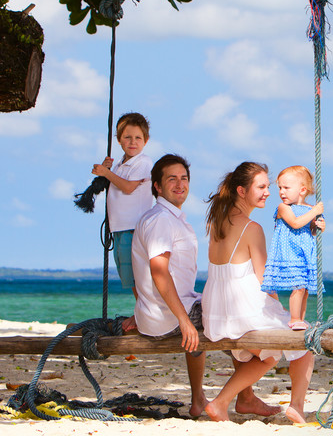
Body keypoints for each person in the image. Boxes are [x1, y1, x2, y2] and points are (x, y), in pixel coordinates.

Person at [131, 155, 281, 419]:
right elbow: (158, 272)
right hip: (170, 316)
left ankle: (203, 399)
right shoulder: (161, 221)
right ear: (157, 186)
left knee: (216, 309)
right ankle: (237, 398)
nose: (180, 184)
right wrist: (183, 320)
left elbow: (143, 274)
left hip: (163, 311)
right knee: (240, 328)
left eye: (184, 178)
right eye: (172, 179)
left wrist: (142, 308)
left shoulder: (168, 218)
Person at [201, 162, 315, 423]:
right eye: (261, 187)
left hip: (217, 310)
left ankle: (242, 399)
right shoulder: (251, 228)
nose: (268, 192)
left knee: (264, 352)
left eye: (268, 187)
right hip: (242, 309)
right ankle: (294, 405)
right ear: (242, 191)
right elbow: (265, 278)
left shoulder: (218, 220)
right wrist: (280, 309)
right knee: (303, 342)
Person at [90, 112, 152, 330]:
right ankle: (143, 312)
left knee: (137, 275)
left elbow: (127, 187)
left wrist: (107, 174)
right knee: (128, 274)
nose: (132, 142)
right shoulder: (122, 164)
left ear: (145, 141)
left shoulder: (143, 163)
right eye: (127, 137)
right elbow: (116, 182)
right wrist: (107, 170)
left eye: (137, 138)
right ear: (119, 139)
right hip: (120, 227)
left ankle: (144, 314)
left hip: (133, 227)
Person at [263, 165, 325, 330]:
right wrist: (315, 212)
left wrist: (319, 224)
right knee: (298, 286)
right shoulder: (284, 208)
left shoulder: (310, 209)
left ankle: (301, 320)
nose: (282, 192)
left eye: (286, 188)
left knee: (304, 289)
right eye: (280, 188)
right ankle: (294, 318)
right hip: (289, 253)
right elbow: (296, 223)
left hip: (305, 254)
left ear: (302, 190)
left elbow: (311, 231)